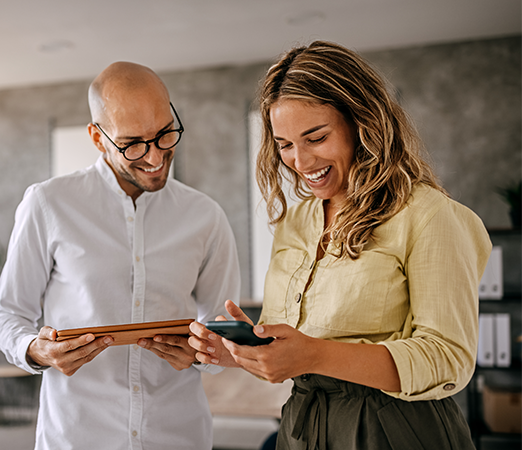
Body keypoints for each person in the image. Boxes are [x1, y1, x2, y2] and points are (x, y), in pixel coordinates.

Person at [189, 41, 492, 449]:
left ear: (362, 123)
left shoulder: (427, 214)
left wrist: (315, 355)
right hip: (303, 426)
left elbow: (446, 358)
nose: (300, 161)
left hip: (396, 429)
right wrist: (242, 352)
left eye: (315, 137)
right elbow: (295, 349)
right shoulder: (295, 222)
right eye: (284, 144)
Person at [0, 61, 241, 450]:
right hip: (77, 436)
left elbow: (222, 328)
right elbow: (9, 314)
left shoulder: (205, 216)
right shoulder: (48, 204)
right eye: (133, 144)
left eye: (165, 134)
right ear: (97, 137)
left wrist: (204, 351)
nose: (156, 157)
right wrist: (37, 350)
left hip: (178, 435)